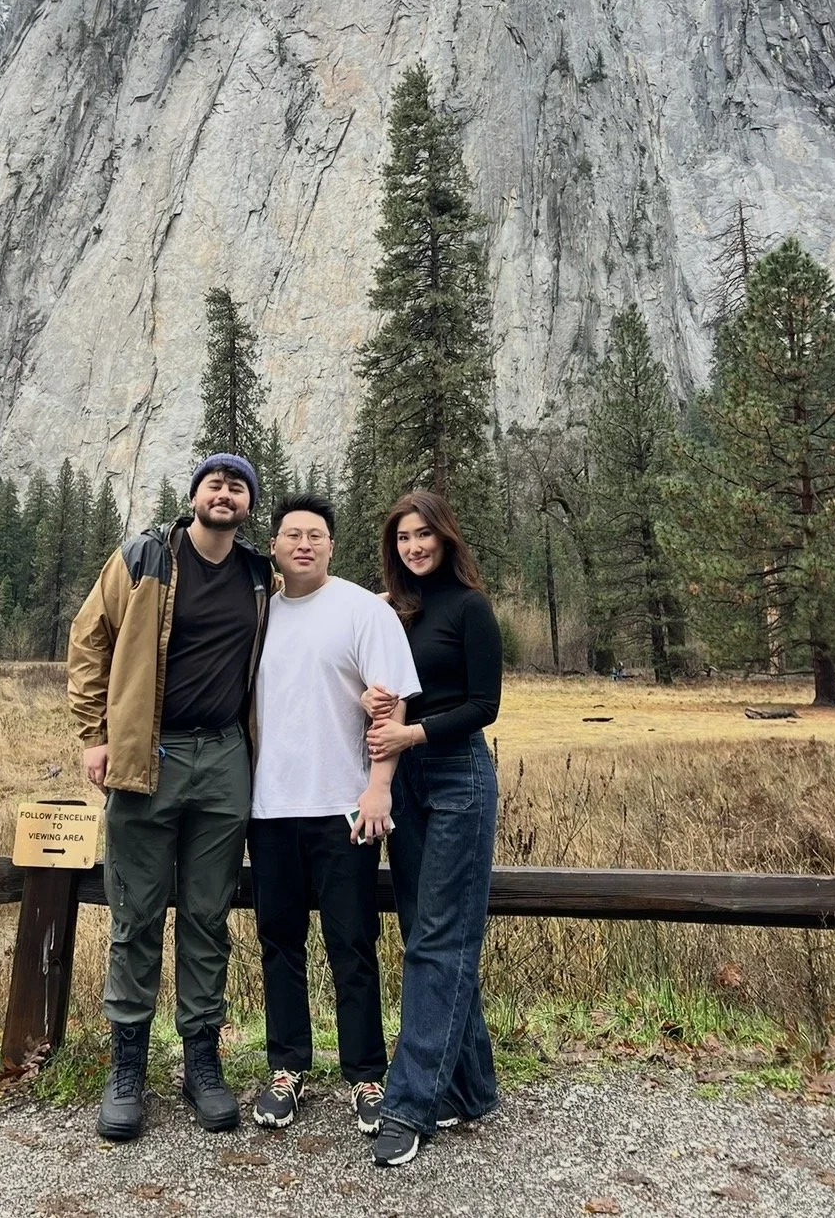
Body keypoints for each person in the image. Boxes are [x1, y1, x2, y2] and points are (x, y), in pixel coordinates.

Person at [68, 454, 275, 1142]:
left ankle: (201, 1061)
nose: (225, 493)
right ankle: (127, 1066)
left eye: (237, 485)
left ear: (247, 504)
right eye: (214, 482)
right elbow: (87, 637)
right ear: (193, 497)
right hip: (144, 754)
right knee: (135, 913)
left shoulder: (257, 577)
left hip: (224, 758)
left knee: (209, 916)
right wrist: (95, 733)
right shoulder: (144, 556)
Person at [247, 494, 421, 1136]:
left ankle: (366, 1075)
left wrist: (380, 789)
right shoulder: (258, 613)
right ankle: (287, 1068)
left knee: (352, 943)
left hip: (344, 808)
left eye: (315, 535)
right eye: (291, 534)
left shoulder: (359, 610)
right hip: (268, 809)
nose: (303, 544)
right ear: (273, 546)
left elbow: (392, 704)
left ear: (331, 546)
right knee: (279, 942)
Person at [362, 491, 503, 1168]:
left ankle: (409, 1103)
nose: (414, 546)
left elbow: (485, 704)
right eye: (403, 537)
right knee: (426, 934)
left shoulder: (470, 608)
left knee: (440, 939)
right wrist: (373, 702)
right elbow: (381, 683)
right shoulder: (393, 610)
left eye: (424, 534)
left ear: (446, 537)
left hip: (457, 780)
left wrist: (411, 731)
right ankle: (471, 1087)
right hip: (406, 782)